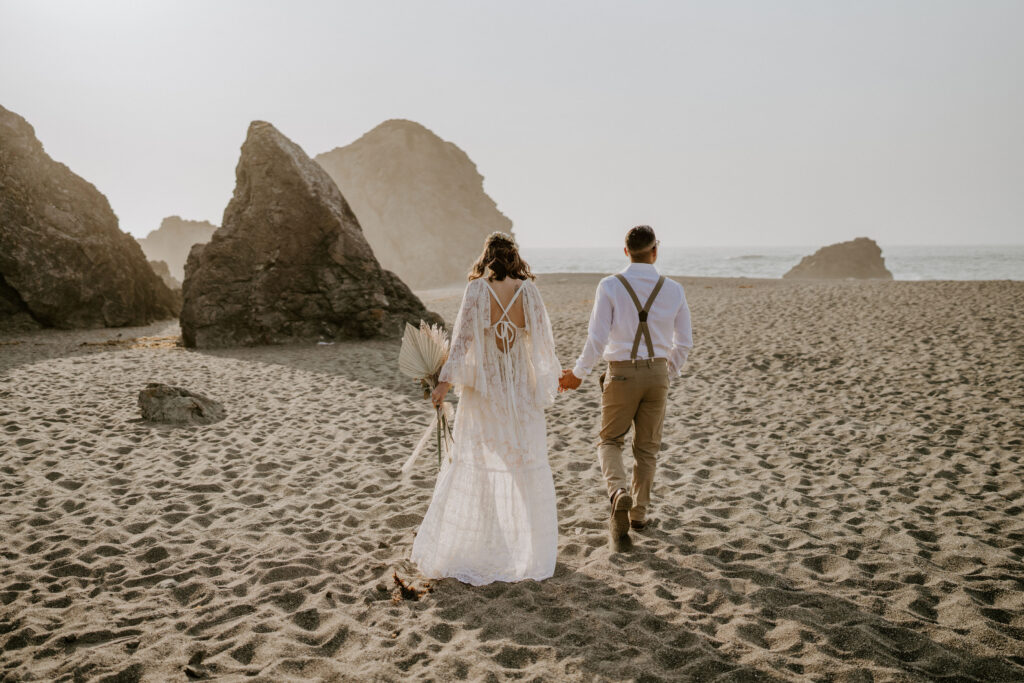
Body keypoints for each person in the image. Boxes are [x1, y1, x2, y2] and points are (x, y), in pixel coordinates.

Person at [411, 232, 562, 585]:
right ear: (514, 256)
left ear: (487, 256)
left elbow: (463, 339)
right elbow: (543, 344)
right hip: (520, 388)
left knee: (476, 460)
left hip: (486, 390)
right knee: (523, 461)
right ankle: (531, 551)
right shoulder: (529, 291)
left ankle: (477, 542)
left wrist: (445, 385)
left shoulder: (477, 290)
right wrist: (545, 382)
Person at [559, 226, 692, 544]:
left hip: (619, 373)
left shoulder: (610, 286)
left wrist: (578, 373)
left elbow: (597, 337)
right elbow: (684, 342)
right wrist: (666, 372)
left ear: (625, 251)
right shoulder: (673, 289)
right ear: (655, 251)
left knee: (609, 442)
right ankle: (639, 515)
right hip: (658, 374)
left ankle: (618, 491)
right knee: (647, 449)